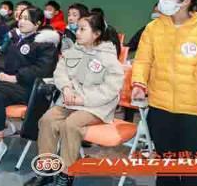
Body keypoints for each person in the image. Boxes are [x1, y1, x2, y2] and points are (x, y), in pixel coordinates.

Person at [131, 0, 197, 186]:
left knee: (192, 166)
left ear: (186, 1)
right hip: (160, 107)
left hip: (195, 111)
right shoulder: (153, 28)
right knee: (165, 163)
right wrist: (139, 84)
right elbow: (142, 60)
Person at [26, 13, 124, 186]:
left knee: (71, 125)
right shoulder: (73, 51)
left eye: (82, 29)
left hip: (96, 107)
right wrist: (66, 88)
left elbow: (110, 90)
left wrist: (82, 100)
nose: (77, 32)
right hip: (70, 101)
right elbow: (60, 72)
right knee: (47, 120)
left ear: (96, 34)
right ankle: (47, 170)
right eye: (77, 28)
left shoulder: (109, 58)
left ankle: (66, 174)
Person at [0, 7, 59, 167]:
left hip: (26, 88)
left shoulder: (46, 44)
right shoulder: (14, 38)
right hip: (3, 83)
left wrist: (16, 77)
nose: (21, 21)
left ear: (37, 23)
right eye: (21, 17)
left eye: (27, 18)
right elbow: (0, 58)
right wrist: (0, 72)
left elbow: (43, 69)